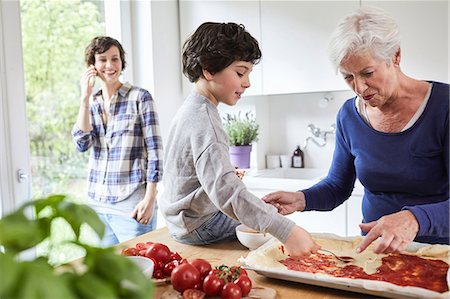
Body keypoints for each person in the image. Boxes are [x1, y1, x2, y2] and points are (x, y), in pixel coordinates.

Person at [263, 6, 449, 254]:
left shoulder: (443, 106)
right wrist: (301, 199)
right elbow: (337, 186)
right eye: (348, 77)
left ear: (395, 55)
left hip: (438, 254)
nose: (359, 87)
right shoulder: (349, 115)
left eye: (367, 73)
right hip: (372, 253)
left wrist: (414, 219)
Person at [159, 22, 319, 257]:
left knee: (261, 216)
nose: (247, 82)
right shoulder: (206, 121)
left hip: (181, 221)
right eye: (240, 72)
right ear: (209, 69)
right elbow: (226, 192)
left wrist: (261, 210)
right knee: (275, 239)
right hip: (199, 226)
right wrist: (287, 231)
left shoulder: (191, 109)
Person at [72, 36, 163, 247]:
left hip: (132, 204)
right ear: (92, 65)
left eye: (115, 58)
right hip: (98, 205)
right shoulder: (92, 102)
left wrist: (150, 199)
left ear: (122, 62)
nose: (110, 65)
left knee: (138, 273)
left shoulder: (140, 98)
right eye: (102, 59)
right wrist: (84, 99)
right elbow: (81, 143)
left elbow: (156, 153)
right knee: (106, 276)